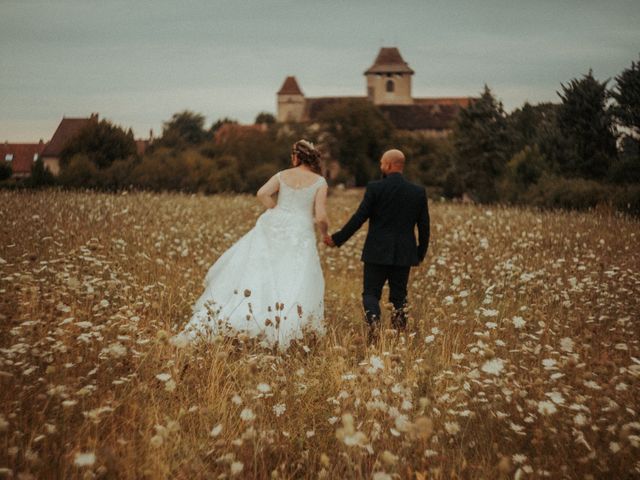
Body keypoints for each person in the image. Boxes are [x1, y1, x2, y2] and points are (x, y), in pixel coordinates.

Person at [173, 140, 329, 350]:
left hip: (273, 224)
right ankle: (282, 329)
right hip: (300, 230)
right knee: (292, 275)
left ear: (297, 156)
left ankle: (237, 319)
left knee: (258, 272)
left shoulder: (282, 175)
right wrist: (325, 233)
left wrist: (276, 210)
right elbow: (320, 217)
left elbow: (262, 193)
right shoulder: (319, 182)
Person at [324, 149, 430, 342]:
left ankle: (374, 326)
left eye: (382, 163)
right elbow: (424, 227)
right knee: (399, 297)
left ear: (389, 165)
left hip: (376, 252)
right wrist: (419, 253)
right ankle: (399, 337)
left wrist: (337, 239)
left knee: (371, 293)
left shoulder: (375, 188)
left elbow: (359, 218)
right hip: (404, 254)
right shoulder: (417, 192)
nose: (381, 167)